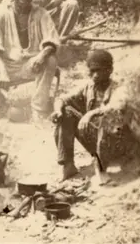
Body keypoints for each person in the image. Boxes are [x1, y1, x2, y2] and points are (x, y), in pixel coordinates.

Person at [50, 49, 122, 183]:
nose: (95, 75)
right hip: (93, 137)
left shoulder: (118, 87)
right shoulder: (88, 86)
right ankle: (68, 166)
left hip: (115, 144)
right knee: (66, 113)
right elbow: (62, 98)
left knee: (105, 119)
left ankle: (101, 169)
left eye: (99, 71)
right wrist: (58, 110)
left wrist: (90, 114)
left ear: (109, 70)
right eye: (92, 71)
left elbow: (114, 107)